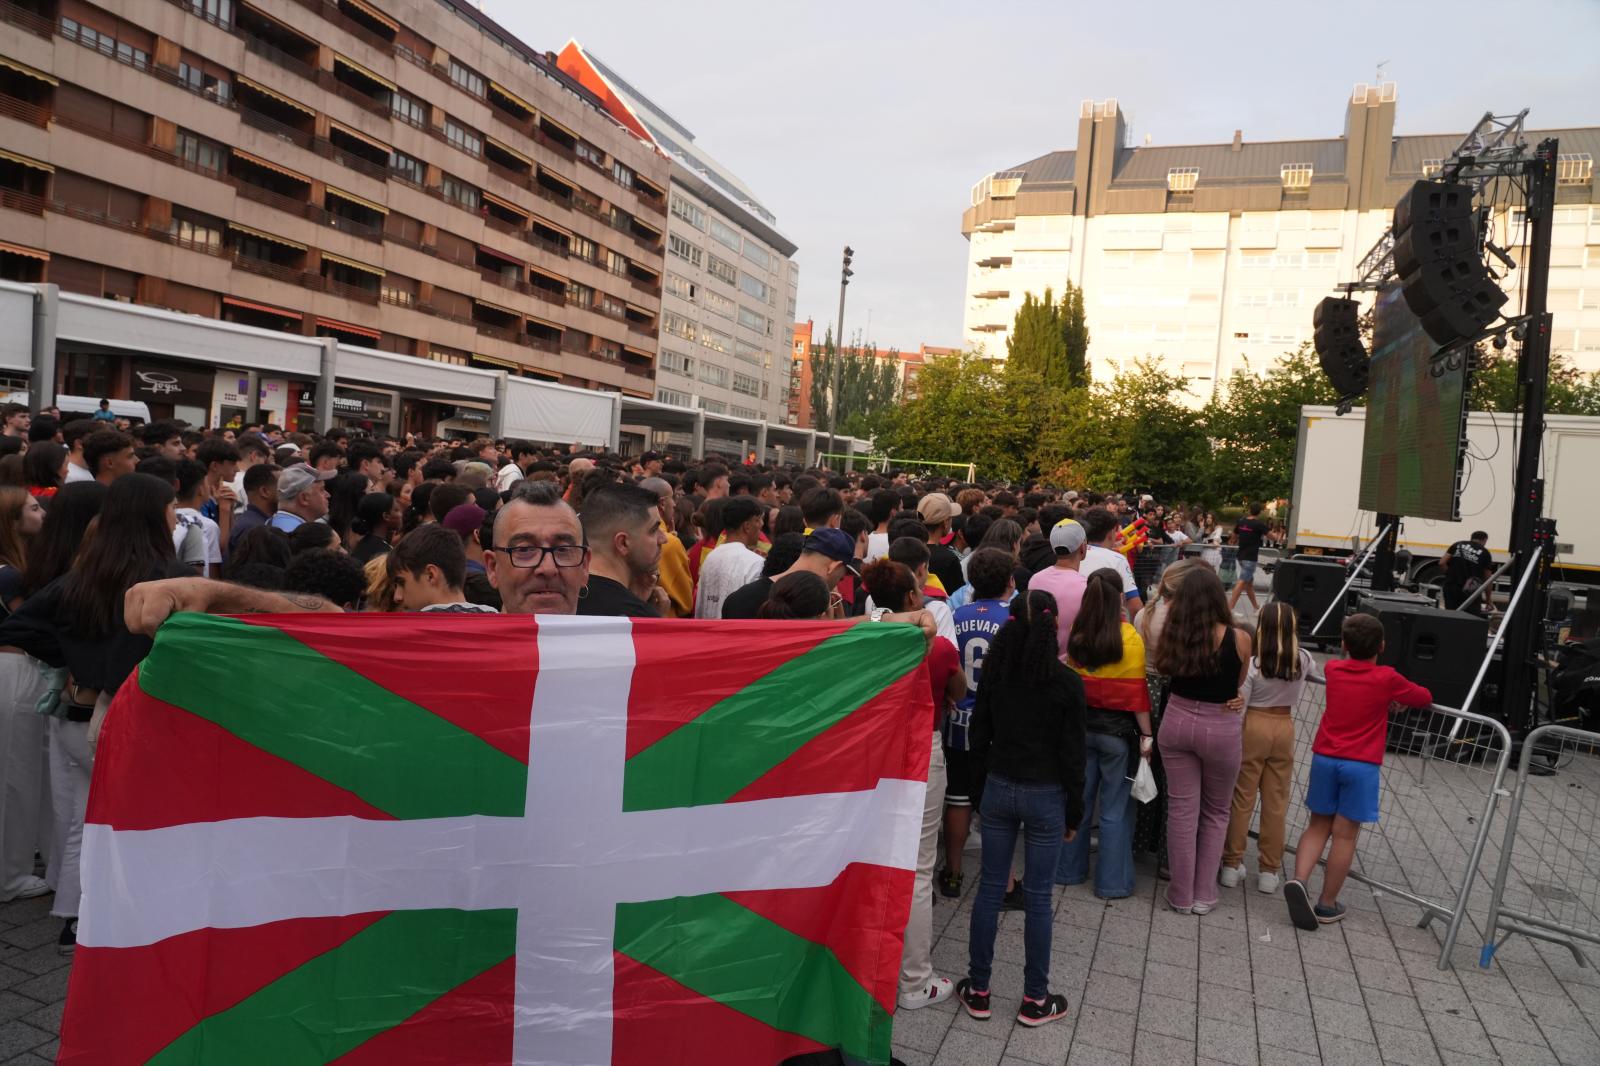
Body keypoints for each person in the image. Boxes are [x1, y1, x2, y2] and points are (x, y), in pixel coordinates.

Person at [0, 473, 191, 953]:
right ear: (154, 514)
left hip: (78, 712)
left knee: (82, 818)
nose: (176, 516)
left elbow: (19, 626)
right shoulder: (167, 577)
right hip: (136, 715)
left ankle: (75, 917)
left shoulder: (84, 572)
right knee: (127, 819)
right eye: (171, 506)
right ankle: (115, 914)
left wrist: (76, 661)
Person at [957, 589, 1085, 1030]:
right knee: (1039, 897)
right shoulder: (1067, 683)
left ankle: (978, 989)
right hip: (1047, 795)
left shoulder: (995, 674)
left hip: (999, 787)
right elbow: (1074, 756)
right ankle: (1035, 998)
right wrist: (1074, 812)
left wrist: (979, 794)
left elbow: (979, 737)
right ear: (1055, 625)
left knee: (990, 889)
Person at [860, 558, 964, 1012]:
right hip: (922, 751)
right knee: (918, 868)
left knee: (871, 859)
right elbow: (959, 691)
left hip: (870, 751)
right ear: (910, 596)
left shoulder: (861, 637)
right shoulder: (936, 647)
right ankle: (915, 980)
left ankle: (869, 966)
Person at [1285, 613, 1432, 930]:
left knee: (1317, 825)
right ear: (1382, 646)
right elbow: (1424, 697)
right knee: (1345, 834)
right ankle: (1327, 904)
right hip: (1361, 764)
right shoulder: (1387, 678)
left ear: (1343, 645)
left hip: (1325, 757)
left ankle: (1299, 880)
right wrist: (1395, 699)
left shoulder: (1333, 669)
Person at [1153, 567, 1251, 915]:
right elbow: (1237, 683)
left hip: (1177, 720)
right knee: (1216, 810)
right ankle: (1204, 895)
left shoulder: (1174, 633)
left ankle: (1180, 894)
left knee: (1182, 810)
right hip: (1220, 724)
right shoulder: (1240, 638)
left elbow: (1163, 670)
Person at [1055, 569, 1152, 899]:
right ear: (1119, 599)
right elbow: (1138, 696)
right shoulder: (1130, 638)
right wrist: (1147, 737)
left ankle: (1068, 870)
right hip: (1118, 736)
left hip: (1081, 731)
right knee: (1114, 811)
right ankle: (1112, 883)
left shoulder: (1078, 634)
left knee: (1078, 802)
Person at [1220, 602, 1314, 896]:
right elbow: (1313, 671)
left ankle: (1231, 864)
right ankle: (1269, 871)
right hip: (1284, 725)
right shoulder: (1303, 659)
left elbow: (1241, 703)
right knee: (1276, 802)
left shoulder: (1255, 663)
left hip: (1254, 724)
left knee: (1243, 797)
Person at [941, 548, 1016, 899]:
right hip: (998, 726)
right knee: (996, 803)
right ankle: (1003, 880)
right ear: (1010, 581)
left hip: (958, 721)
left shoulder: (955, 615)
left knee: (958, 797)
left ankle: (953, 871)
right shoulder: (1013, 619)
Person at [0, 487, 48, 902]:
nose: (42, 513)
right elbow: (32, 626)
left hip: (14, 670)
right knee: (16, 774)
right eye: (33, 508)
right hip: (15, 669)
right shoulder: (10, 575)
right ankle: (10, 875)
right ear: (12, 521)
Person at [722, 529, 857, 621]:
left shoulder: (738, 598)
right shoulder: (810, 611)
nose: (836, 585)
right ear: (833, 567)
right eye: (840, 578)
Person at [578, 483, 667, 618]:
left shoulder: (562, 598)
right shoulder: (637, 618)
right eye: (654, 530)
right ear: (623, 543)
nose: (663, 539)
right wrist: (656, 623)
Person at [386, 524, 497, 613]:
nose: (397, 597)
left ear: (431, 575)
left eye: (401, 583)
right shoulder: (496, 621)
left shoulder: (405, 630)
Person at [1027, 518, 1090, 657]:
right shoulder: (1087, 587)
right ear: (1082, 547)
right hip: (1073, 664)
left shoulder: (1035, 580)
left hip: (1039, 661)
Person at [695, 496, 765, 619]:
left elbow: (700, 608)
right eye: (757, 520)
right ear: (747, 526)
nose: (761, 524)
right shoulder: (755, 563)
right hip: (738, 630)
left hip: (710, 629)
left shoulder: (711, 557)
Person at [1079, 507, 1143, 621]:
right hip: (1106, 625)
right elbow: (1135, 606)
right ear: (1111, 533)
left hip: (1076, 624)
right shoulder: (1117, 559)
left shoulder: (1074, 554)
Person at [639, 477, 691, 617]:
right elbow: (686, 601)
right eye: (673, 498)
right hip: (665, 619)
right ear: (662, 504)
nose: (674, 504)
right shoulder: (670, 543)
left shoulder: (632, 534)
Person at [172, 459, 222, 577]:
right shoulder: (208, 526)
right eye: (207, 484)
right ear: (201, 489)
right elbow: (213, 572)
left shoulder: (168, 519)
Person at [916, 493, 965, 593]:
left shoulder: (907, 550)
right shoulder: (949, 559)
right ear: (945, 522)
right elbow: (958, 595)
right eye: (950, 518)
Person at [1227, 502, 1271, 614]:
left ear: (1250, 510)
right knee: (1242, 582)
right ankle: (1229, 609)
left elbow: (1234, 535)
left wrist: (1234, 540)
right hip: (1250, 558)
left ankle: (1256, 607)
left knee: (1249, 584)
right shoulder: (1259, 524)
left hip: (1241, 556)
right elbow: (1272, 536)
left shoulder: (1241, 521)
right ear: (1259, 512)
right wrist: (1277, 536)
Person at [227, 463, 280, 553]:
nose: (288, 491)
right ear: (264, 491)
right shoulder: (253, 529)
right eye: (283, 486)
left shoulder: (260, 523)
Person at [1440, 530, 1493, 613]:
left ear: (1472, 538)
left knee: (1450, 613)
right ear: (1484, 540)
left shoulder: (1458, 544)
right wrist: (1488, 599)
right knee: (1469, 615)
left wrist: (1450, 575)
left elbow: (1442, 563)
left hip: (1451, 586)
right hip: (1470, 589)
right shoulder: (1485, 553)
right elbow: (1488, 579)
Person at [268, 465, 332, 533]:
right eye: (322, 490)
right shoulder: (295, 533)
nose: (328, 495)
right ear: (304, 498)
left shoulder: (277, 523)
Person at [349, 492, 399, 565]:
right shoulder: (383, 554)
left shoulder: (363, 544)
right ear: (386, 516)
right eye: (396, 510)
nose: (401, 514)